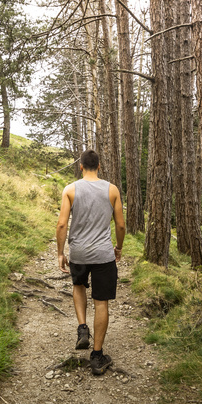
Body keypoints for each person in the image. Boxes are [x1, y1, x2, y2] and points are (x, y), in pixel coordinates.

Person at [55, 149, 126, 376]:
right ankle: (97, 356)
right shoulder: (112, 189)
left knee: (78, 287)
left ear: (81, 166)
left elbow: (62, 225)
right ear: (100, 166)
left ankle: (82, 328)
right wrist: (119, 248)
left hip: (79, 252)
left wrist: (60, 252)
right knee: (101, 302)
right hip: (104, 254)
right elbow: (121, 225)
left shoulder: (70, 189)